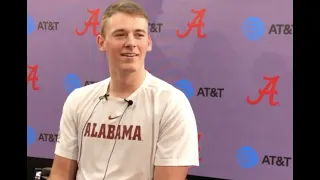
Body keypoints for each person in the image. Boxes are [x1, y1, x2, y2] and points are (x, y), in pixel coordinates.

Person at [49, 0, 199, 179]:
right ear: (101, 42)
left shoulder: (172, 104)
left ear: (149, 43)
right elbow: (60, 173)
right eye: (120, 34)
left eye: (139, 35)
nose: (131, 42)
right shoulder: (78, 99)